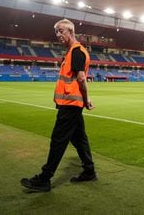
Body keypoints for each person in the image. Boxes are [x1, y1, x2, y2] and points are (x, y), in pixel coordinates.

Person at [21, 19, 97, 192]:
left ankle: (44, 178)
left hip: (71, 104)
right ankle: (89, 171)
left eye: (61, 31)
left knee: (58, 140)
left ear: (70, 31)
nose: (58, 35)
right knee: (79, 139)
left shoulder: (76, 52)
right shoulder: (71, 52)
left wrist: (86, 100)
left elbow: (81, 78)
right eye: (56, 32)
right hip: (71, 103)